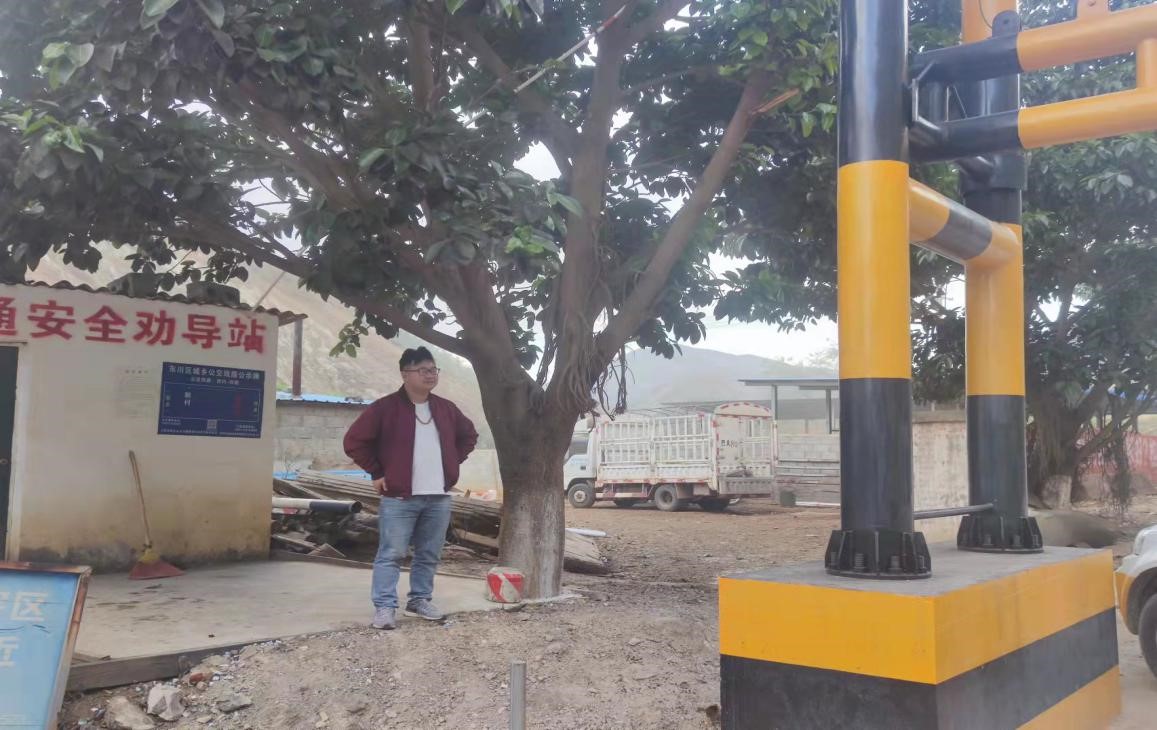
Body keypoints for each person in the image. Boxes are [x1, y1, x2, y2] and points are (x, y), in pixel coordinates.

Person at [343, 347, 478, 630]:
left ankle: (419, 600)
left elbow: (469, 436)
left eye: (433, 370)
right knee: (391, 553)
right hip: (399, 496)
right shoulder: (385, 408)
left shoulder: (446, 409)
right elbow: (354, 441)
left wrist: (451, 462)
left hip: (438, 496)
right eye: (423, 370)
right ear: (405, 374)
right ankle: (384, 607)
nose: (430, 375)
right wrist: (377, 472)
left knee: (429, 553)